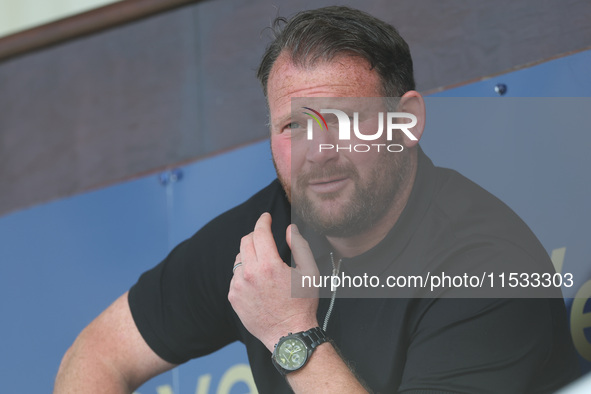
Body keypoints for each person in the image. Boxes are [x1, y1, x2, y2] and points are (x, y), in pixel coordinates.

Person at [54, 6, 580, 393]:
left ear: (408, 122)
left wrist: (289, 332)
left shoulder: (489, 268)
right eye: (293, 125)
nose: (319, 152)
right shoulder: (266, 233)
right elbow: (98, 353)